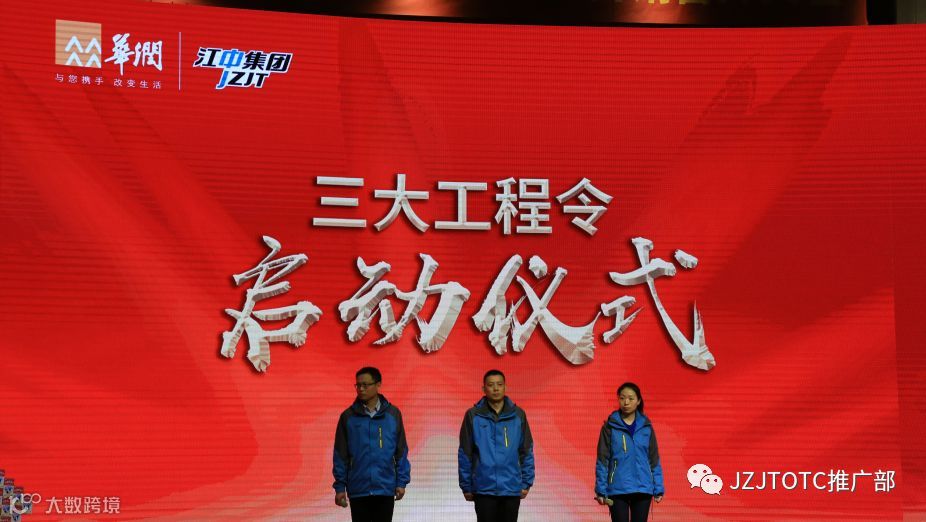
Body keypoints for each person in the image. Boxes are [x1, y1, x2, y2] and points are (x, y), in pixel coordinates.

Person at [333, 367, 411, 522]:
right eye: (358, 385)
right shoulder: (347, 417)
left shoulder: (393, 414)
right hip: (358, 489)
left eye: (365, 385)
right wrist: (340, 487)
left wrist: (401, 482)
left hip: (385, 488)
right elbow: (340, 455)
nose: (361, 389)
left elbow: (401, 451)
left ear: (378, 385)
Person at [458, 369, 534, 522]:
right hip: (483, 488)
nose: (495, 388)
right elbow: (465, 453)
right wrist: (466, 485)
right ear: (484, 388)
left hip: (511, 488)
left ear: (505, 387)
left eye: (499, 384)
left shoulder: (518, 415)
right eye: (491, 385)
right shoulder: (473, 415)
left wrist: (526, 482)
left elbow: (526, 450)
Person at [594, 382, 664, 522]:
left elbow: (654, 459)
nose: (626, 402)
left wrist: (658, 487)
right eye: (622, 398)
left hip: (643, 488)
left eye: (631, 398)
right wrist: (601, 489)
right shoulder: (609, 427)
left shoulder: (646, 427)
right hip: (617, 488)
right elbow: (602, 460)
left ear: (638, 401)